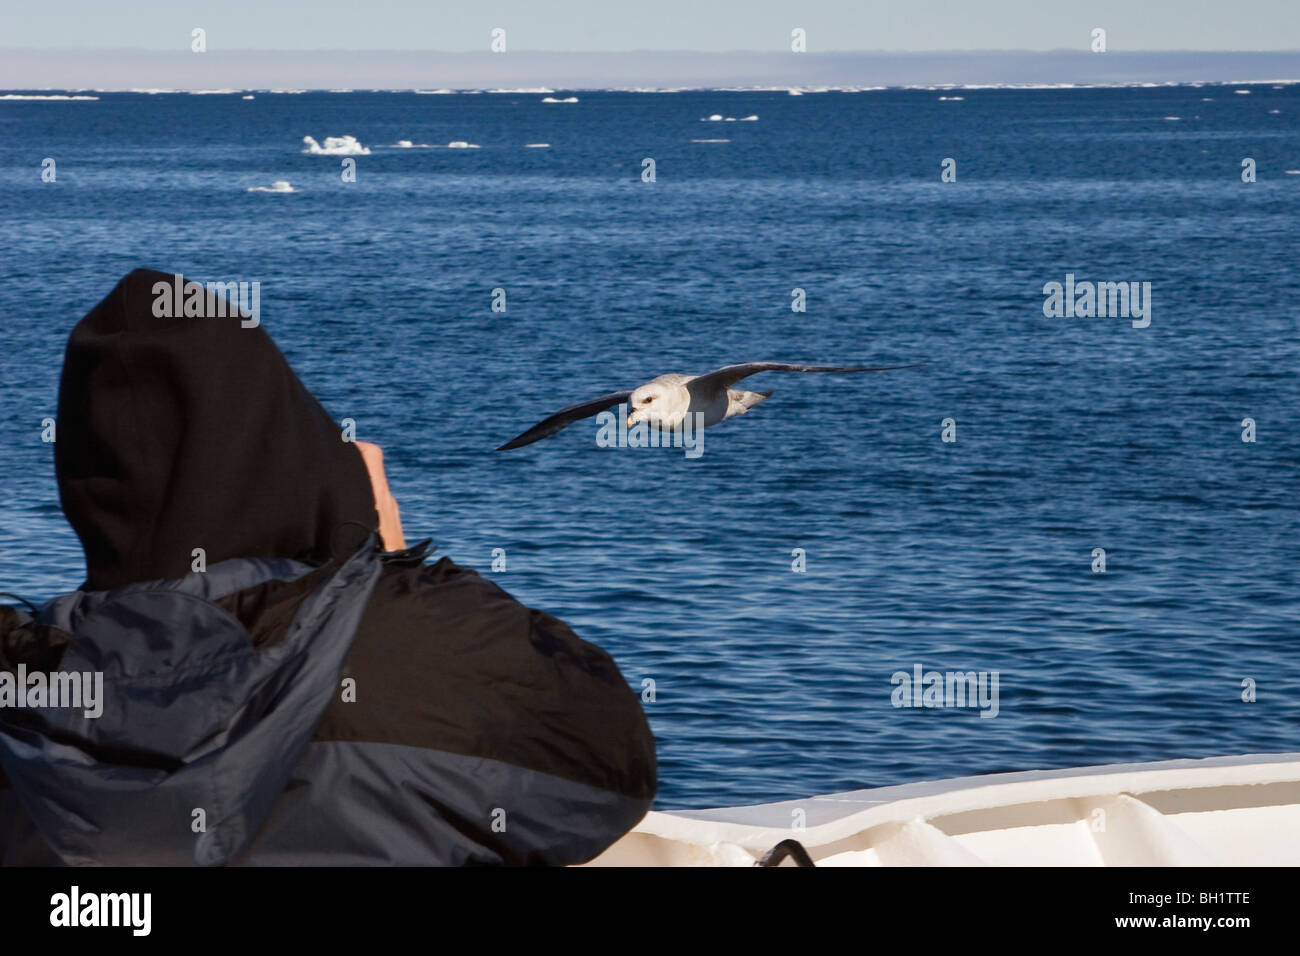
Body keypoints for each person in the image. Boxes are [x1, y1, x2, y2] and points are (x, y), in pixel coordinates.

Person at [0, 269, 656, 865]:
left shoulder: (27, 690)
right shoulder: (428, 662)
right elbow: (614, 768)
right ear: (289, 441)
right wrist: (390, 574)